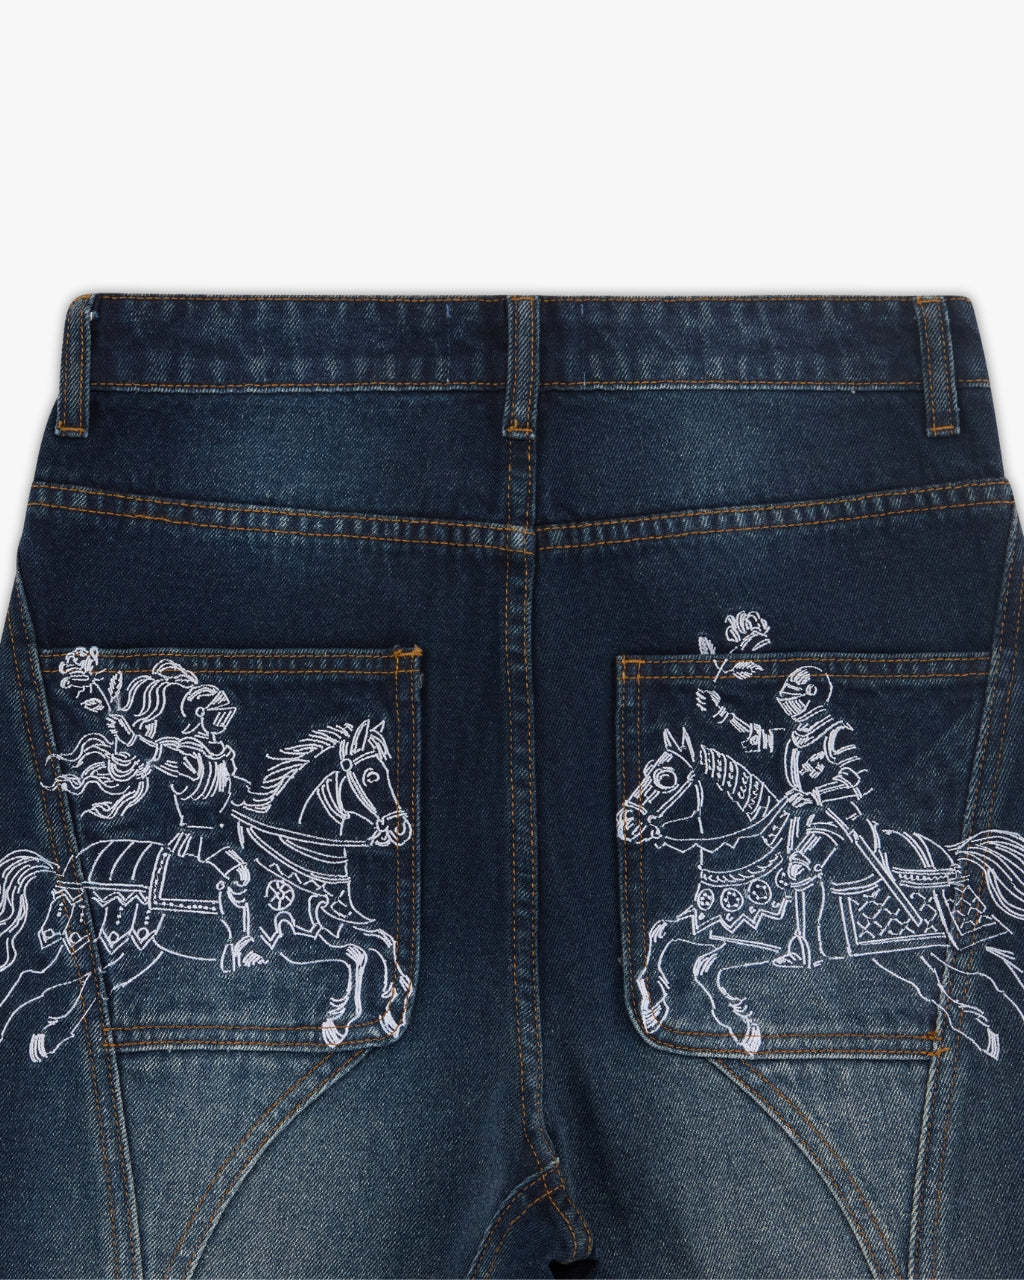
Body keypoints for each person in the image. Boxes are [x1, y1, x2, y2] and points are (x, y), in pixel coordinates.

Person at [696, 665, 884, 967]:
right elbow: (757, 735)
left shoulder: (837, 734)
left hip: (835, 819)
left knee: (799, 866)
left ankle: (806, 948)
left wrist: (815, 795)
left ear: (811, 695)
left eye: (791, 696)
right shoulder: (794, 736)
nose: (785, 702)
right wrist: (723, 714)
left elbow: (857, 779)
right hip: (797, 819)